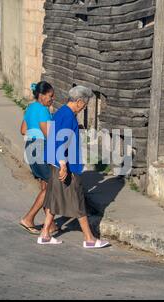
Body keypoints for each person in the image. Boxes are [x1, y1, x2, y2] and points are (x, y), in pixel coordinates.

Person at [38, 86, 110, 249]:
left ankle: (45, 234)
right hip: (66, 166)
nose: (84, 108)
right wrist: (63, 165)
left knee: (54, 198)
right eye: (84, 105)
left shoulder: (61, 112)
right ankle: (89, 239)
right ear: (78, 102)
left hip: (56, 163)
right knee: (78, 201)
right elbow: (60, 142)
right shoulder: (68, 116)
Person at [19, 81, 59, 235]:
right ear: (42, 96)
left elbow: (23, 130)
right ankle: (28, 219)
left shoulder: (30, 108)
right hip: (41, 149)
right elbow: (48, 134)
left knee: (44, 185)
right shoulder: (43, 110)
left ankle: (51, 224)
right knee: (51, 186)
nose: (52, 98)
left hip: (30, 148)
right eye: (50, 96)